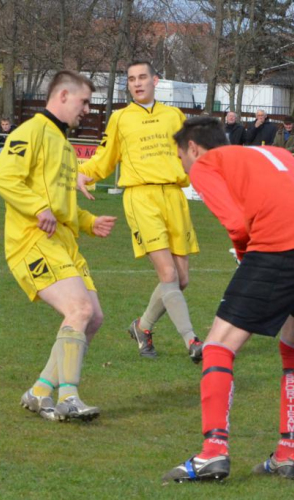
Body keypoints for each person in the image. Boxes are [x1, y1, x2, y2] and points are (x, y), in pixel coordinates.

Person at [162, 116, 294, 483]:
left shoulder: (206, 165)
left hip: (285, 243)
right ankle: (287, 455)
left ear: (194, 149)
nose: (184, 166)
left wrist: (246, 256)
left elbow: (236, 224)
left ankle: (212, 453)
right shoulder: (274, 151)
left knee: (218, 344)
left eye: (181, 156)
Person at [0, 70, 117, 422]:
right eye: (84, 102)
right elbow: (2, 177)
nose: (87, 110)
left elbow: (61, 204)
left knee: (93, 319)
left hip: (62, 241)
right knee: (79, 310)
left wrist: (89, 222)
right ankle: (69, 397)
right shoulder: (31, 131)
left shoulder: (62, 142)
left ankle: (40, 391)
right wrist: (37, 208)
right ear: (62, 96)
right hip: (32, 240)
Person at [77, 60, 204, 364]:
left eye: (142, 77)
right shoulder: (120, 118)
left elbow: (191, 155)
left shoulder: (175, 116)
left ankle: (142, 326)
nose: (137, 83)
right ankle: (193, 341)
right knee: (168, 273)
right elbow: (105, 157)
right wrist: (84, 173)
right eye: (131, 79)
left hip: (174, 196)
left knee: (181, 279)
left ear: (155, 80)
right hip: (140, 196)